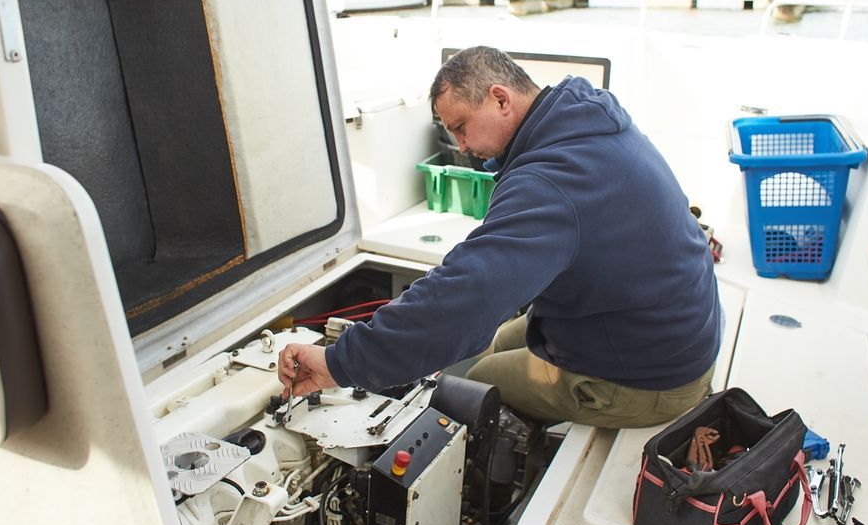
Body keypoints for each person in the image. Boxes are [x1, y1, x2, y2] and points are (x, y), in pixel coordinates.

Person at [280, 46, 722, 428]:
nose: (462, 146)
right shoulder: (583, 118)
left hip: (652, 376)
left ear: (500, 99)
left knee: (469, 384)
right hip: (668, 328)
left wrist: (340, 362)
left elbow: (466, 296)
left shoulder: (550, 181)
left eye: (461, 127)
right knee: (493, 342)